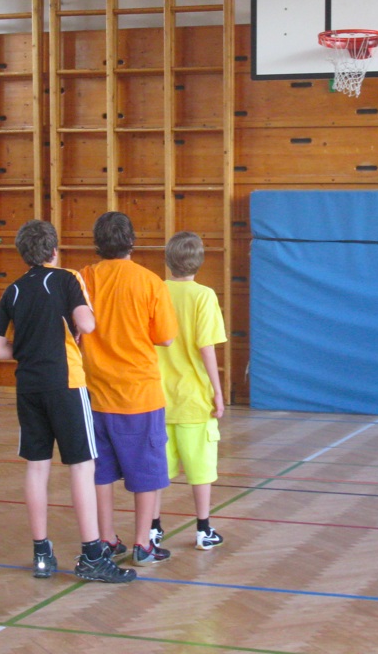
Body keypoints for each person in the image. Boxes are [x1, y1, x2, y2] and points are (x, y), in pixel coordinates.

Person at [0, 219, 136, 584]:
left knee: (37, 467)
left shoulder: (13, 290)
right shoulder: (68, 278)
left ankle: (41, 553)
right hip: (66, 384)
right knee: (82, 466)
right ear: (54, 250)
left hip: (29, 387)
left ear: (23, 254)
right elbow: (87, 324)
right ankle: (91, 555)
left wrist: (28, 348)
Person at [80, 212, 178, 566]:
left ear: (97, 243)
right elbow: (165, 337)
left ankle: (106, 538)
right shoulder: (150, 282)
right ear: (132, 242)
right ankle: (143, 543)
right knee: (147, 472)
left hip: (95, 394)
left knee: (101, 472)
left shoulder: (83, 279)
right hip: (140, 395)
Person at [151, 231, 227, 551]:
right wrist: (218, 391)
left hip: (157, 396)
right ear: (199, 261)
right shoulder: (204, 296)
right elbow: (206, 346)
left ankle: (153, 529)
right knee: (200, 468)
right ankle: (203, 529)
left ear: (168, 261)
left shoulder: (156, 291)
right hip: (194, 398)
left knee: (157, 469)